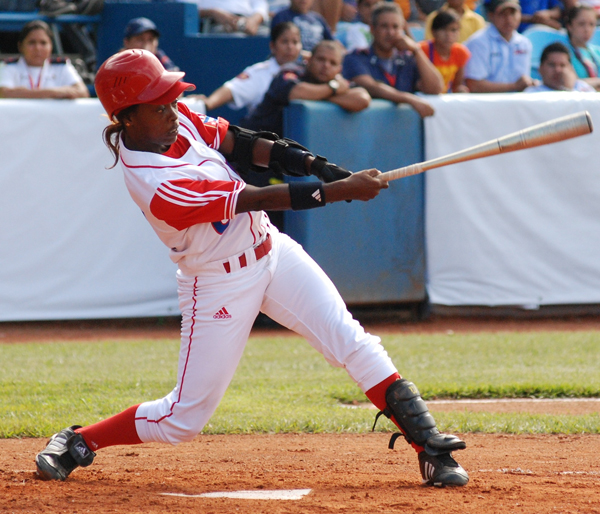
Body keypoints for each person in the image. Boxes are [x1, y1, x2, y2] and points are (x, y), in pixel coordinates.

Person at [34, 48, 469, 489]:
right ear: (126, 117)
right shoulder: (154, 183)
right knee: (182, 419)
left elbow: (246, 144)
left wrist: (321, 167)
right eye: (158, 104)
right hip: (219, 281)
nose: (171, 110)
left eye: (169, 99)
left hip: (269, 249)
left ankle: (430, 448)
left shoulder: (176, 119)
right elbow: (255, 197)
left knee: (351, 340)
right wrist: (336, 192)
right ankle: (79, 440)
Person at [241, 39, 371, 135]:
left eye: (332, 63)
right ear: (309, 60)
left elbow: (362, 99)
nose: (326, 65)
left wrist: (321, 95)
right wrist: (332, 89)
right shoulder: (291, 70)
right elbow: (295, 93)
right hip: (254, 139)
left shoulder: (338, 83)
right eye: (321, 59)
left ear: (339, 69)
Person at [342, 3, 444, 118]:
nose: (390, 33)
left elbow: (435, 88)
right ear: (372, 29)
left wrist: (416, 50)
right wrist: (409, 99)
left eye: (395, 27)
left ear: (402, 30)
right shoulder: (355, 57)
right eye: (384, 26)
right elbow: (372, 87)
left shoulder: (407, 59)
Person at [191, 22, 303, 115]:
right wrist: (209, 102)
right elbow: (232, 89)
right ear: (272, 46)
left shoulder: (307, 69)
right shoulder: (260, 72)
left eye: (295, 42)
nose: (290, 47)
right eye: (284, 41)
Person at [0, 20, 89, 99]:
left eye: (43, 43)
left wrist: (24, 93)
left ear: (51, 46)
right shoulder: (8, 66)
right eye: (32, 42)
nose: (38, 48)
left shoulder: (62, 67)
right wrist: (56, 93)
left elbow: (83, 92)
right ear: (20, 46)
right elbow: (4, 93)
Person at [464, 0, 536, 93]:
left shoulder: (524, 43)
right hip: (485, 104)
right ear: (491, 16)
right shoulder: (478, 43)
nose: (509, 19)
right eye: (503, 14)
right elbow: (474, 85)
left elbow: (523, 81)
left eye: (513, 13)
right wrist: (514, 86)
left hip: (517, 103)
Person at [420, 9, 471, 92]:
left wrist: (460, 90)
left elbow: (457, 85)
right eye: (443, 29)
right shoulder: (422, 50)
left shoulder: (461, 52)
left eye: (453, 30)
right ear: (433, 32)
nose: (449, 35)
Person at [524, 41, 596, 91]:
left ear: (571, 68)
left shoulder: (584, 89)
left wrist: (568, 88)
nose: (558, 70)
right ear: (540, 69)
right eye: (552, 65)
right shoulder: (532, 94)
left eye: (562, 65)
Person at [565, 4, 600, 91]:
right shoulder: (563, 54)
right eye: (581, 24)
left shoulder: (598, 52)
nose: (587, 29)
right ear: (569, 26)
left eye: (591, 24)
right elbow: (571, 84)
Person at [189, 0, 270, 36]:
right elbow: (187, 8)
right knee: (237, 37)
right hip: (214, 23)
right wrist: (213, 13)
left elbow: (260, 5)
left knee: (268, 36)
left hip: (247, 21)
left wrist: (254, 20)